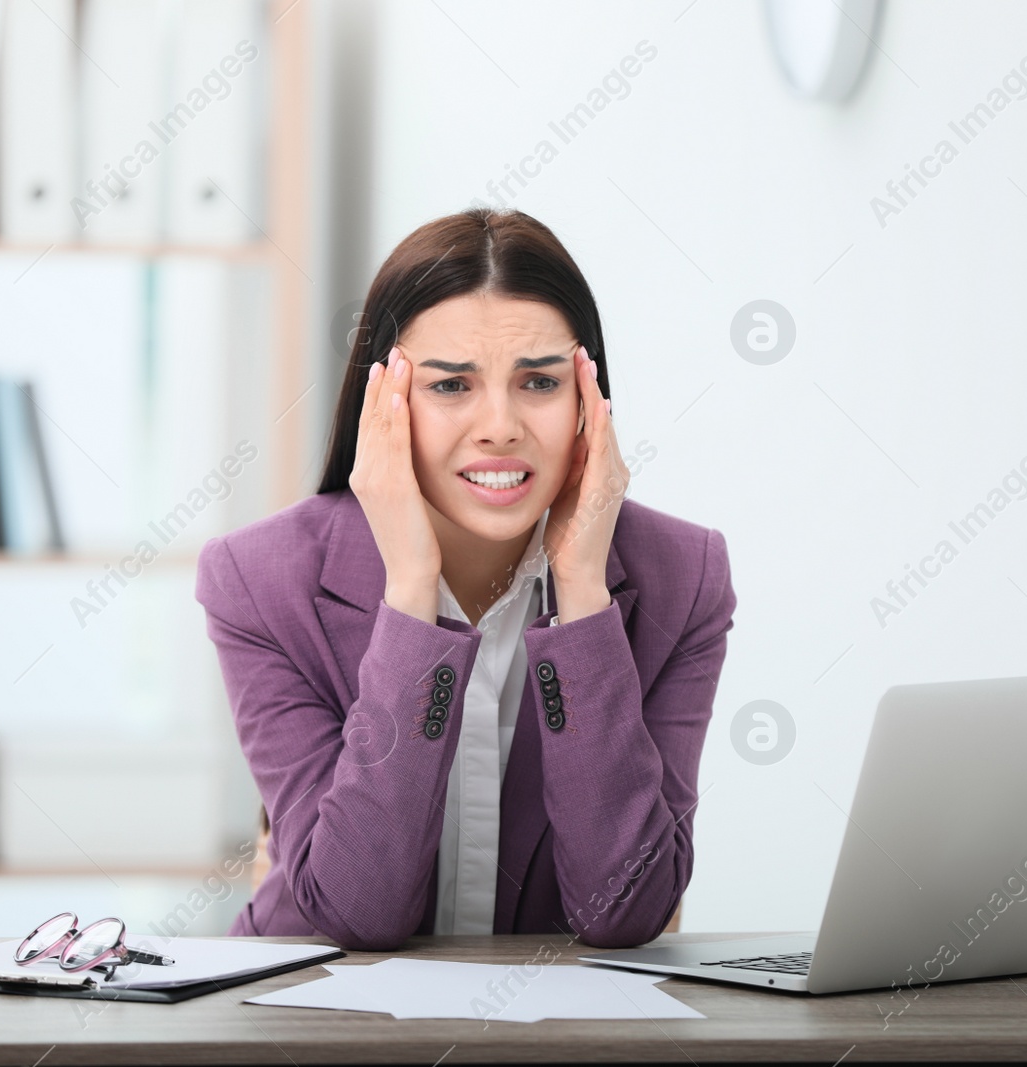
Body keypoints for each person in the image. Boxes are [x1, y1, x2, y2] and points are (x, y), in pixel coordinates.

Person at [195, 207, 737, 950]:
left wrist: (583, 593)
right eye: (452, 387)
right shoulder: (258, 580)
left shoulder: (685, 578)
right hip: (304, 1018)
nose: (501, 425)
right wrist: (412, 594)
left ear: (589, 401)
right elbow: (359, 911)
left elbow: (625, 910)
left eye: (540, 382)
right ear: (385, 402)